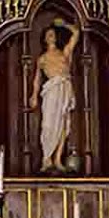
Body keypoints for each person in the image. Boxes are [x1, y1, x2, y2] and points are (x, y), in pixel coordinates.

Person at [30, 22, 80, 171]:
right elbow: (37, 79)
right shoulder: (43, 58)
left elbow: (76, 33)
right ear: (45, 39)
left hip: (64, 87)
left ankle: (58, 159)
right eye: (48, 35)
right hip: (51, 91)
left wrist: (64, 24)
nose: (51, 37)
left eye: (53, 34)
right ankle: (47, 158)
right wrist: (33, 96)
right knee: (49, 124)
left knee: (63, 124)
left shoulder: (64, 53)